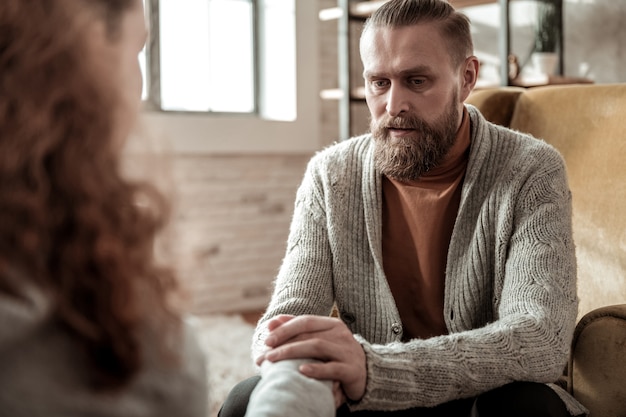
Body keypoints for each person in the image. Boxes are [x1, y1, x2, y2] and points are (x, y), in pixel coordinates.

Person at [220, 0, 588, 416]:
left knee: (528, 407)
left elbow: (540, 340)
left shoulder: (531, 170)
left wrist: (377, 371)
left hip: (478, 395)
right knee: (242, 401)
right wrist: (302, 368)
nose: (393, 105)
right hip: (366, 399)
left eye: (416, 81)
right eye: (379, 83)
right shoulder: (330, 175)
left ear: (466, 77)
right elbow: (285, 322)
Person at [0, 1, 208, 416]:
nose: (139, 87)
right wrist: (298, 387)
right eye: (137, 52)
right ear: (89, 58)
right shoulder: (140, 356)